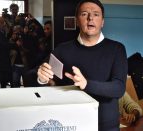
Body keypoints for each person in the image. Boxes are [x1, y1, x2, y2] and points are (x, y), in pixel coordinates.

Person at [37, 0, 128, 131]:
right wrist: (42, 78)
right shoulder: (62, 50)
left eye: (96, 14)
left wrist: (86, 84)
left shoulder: (117, 49)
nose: (90, 18)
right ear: (77, 21)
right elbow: (41, 78)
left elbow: (119, 88)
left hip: (106, 126)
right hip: (69, 124)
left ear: (102, 22)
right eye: (84, 14)